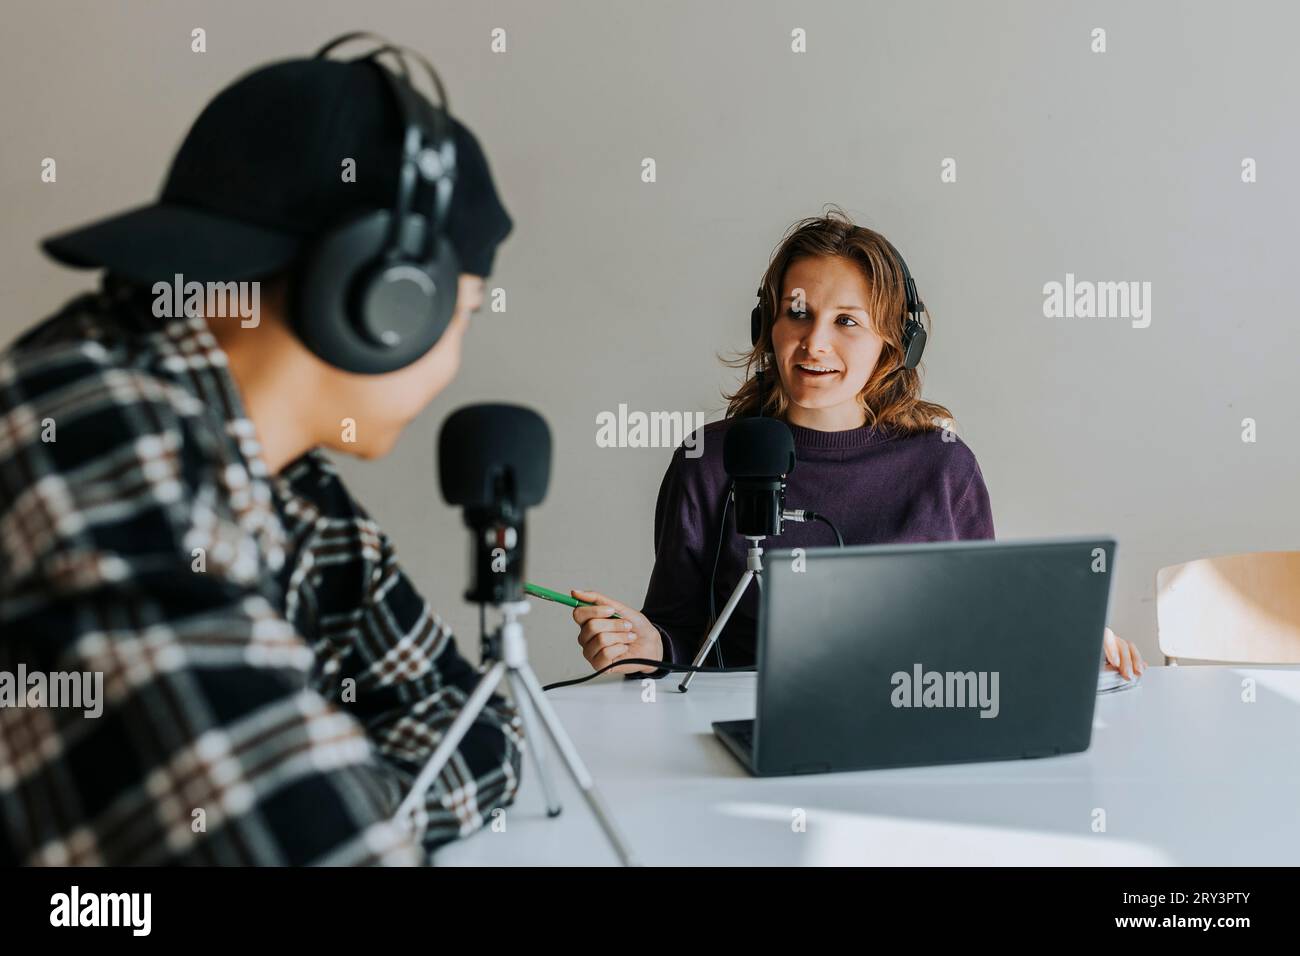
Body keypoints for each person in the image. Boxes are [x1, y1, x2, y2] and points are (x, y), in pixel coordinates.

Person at [0, 36, 521, 865]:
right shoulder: (79, 433)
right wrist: (349, 801)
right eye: (465, 311)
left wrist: (359, 798)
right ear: (387, 303)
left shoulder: (292, 490)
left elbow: (477, 721)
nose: (455, 356)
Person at [570, 210, 1146, 682]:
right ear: (765, 326)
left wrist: (1059, 639)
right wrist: (641, 645)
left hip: (910, 738)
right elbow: (676, 636)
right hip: (746, 738)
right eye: (797, 314)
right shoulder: (711, 462)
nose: (814, 341)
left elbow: (980, 632)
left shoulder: (944, 465)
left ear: (894, 347)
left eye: (847, 322)